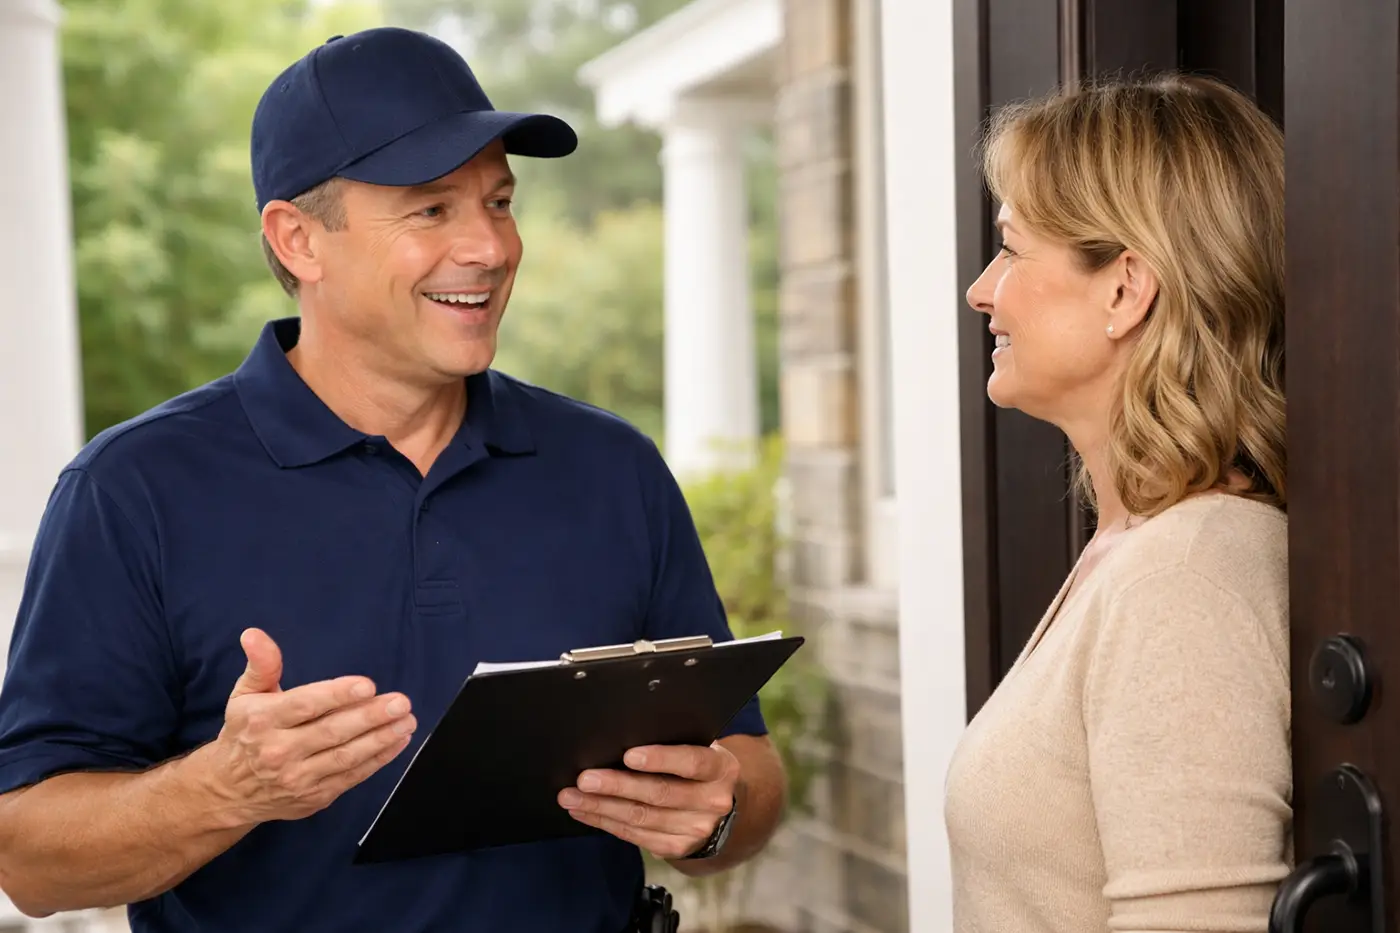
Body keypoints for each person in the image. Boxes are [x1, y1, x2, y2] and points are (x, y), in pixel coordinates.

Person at [0, 26, 786, 931]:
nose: (490, 247)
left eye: (499, 202)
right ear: (298, 239)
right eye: (431, 210)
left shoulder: (613, 469)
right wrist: (225, 789)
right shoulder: (131, 491)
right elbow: (29, 858)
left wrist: (716, 811)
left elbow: (747, 765)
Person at [944, 74, 1290, 932]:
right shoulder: (1140, 548)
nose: (982, 290)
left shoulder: (1183, 578)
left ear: (1125, 290)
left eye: (1013, 250)